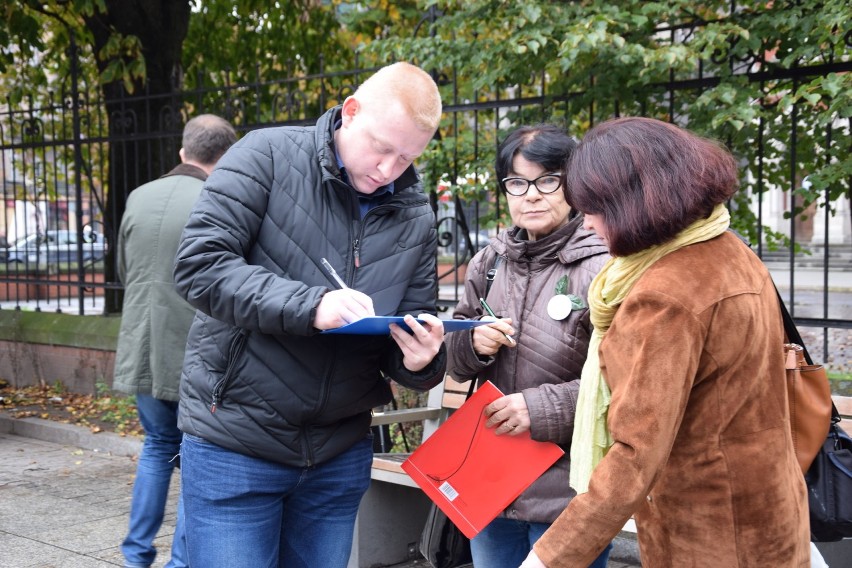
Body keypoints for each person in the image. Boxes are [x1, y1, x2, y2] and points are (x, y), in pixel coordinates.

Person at [172, 62, 448, 568]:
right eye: (382, 148)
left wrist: (422, 358)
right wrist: (311, 305)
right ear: (351, 111)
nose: (389, 169)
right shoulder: (267, 155)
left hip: (337, 452)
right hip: (237, 440)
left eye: (407, 157)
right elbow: (200, 267)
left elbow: (406, 328)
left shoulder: (416, 215)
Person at [520, 117, 811, 567]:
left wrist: (548, 557)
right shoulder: (725, 247)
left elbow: (635, 453)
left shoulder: (664, 294)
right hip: (767, 509)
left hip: (708, 532)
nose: (588, 221)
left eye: (594, 208)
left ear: (631, 203)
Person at [446, 125, 612, 568]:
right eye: (517, 183)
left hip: (569, 487)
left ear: (574, 185)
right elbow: (455, 354)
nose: (531, 195)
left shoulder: (604, 265)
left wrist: (538, 410)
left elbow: (626, 381)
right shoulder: (491, 260)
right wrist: (473, 343)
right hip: (491, 480)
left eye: (547, 181)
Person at [113, 113, 237, 568]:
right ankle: (182, 561)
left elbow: (126, 274)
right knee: (198, 460)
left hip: (143, 351)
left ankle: (135, 554)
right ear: (224, 156)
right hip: (194, 355)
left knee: (156, 448)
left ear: (184, 150)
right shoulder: (219, 197)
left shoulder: (139, 196)